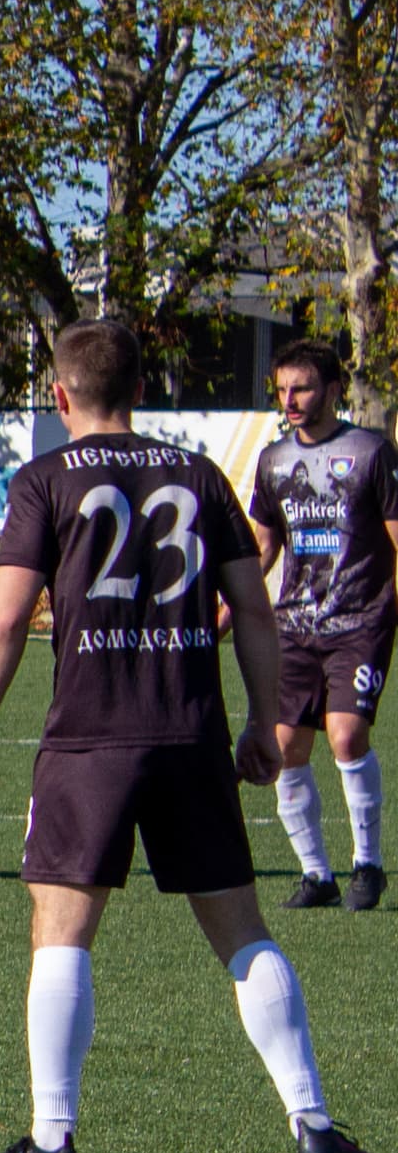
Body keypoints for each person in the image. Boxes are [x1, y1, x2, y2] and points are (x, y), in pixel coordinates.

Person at [0, 319, 374, 1153]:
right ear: (142, 390)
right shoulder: (200, 474)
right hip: (190, 732)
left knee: (61, 934)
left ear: (60, 396)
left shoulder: (43, 480)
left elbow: (5, 617)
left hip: (89, 740)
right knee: (244, 933)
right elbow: (254, 611)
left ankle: (52, 1136)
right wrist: (261, 719)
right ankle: (313, 1120)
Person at [246, 339, 398, 911]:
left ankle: (368, 866)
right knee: (285, 746)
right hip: (294, 624)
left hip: (361, 619)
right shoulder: (273, 460)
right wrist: (227, 608)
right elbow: (264, 546)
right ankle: (317, 875)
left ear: (333, 390)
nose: (290, 400)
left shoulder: (371, 452)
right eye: (282, 389)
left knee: (347, 735)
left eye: (302, 388)